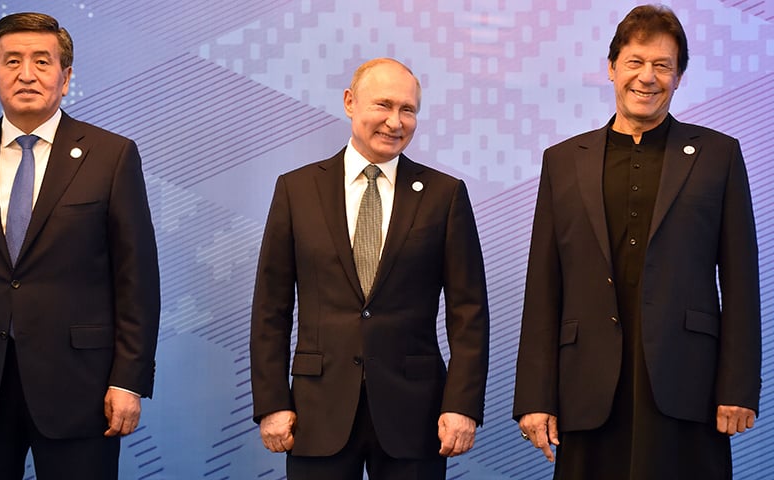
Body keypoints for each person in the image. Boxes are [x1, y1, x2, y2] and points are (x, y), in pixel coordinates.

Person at [512, 4, 761, 479]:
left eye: (662, 65)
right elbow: (543, 287)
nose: (647, 77)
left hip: (688, 386)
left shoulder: (718, 156)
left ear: (679, 76)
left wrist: (738, 386)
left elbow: (741, 280)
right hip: (586, 388)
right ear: (612, 68)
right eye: (635, 62)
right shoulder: (562, 161)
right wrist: (535, 397)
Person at [250, 57, 490, 480]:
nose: (395, 122)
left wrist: (461, 406)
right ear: (349, 102)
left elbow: (469, 313)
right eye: (383, 105)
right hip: (317, 411)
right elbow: (270, 308)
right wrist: (272, 402)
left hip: (416, 415)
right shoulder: (296, 189)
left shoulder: (445, 195)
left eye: (408, 109)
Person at [0, 12, 160, 480]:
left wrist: (128, 381)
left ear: (66, 77)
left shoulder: (111, 155)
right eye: (11, 61)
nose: (27, 73)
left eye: (42, 60)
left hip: (82, 387)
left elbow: (136, 278)